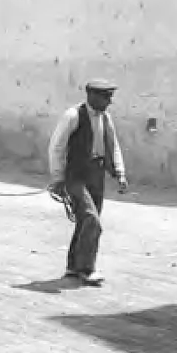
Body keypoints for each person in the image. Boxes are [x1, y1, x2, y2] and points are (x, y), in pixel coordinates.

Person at [47, 79, 129, 286]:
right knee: (91, 220)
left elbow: (113, 145)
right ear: (91, 95)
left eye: (110, 96)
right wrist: (57, 178)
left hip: (97, 174)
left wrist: (119, 172)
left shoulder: (106, 118)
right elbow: (56, 147)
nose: (109, 101)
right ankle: (87, 269)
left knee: (85, 222)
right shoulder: (73, 116)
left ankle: (73, 267)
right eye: (106, 97)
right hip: (76, 176)